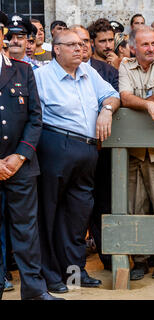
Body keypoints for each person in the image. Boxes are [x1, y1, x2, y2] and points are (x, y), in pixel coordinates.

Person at [34, 29, 120, 294]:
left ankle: (74, 273)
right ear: (56, 49)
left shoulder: (88, 72)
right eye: (71, 44)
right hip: (55, 145)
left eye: (81, 44)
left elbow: (113, 95)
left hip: (87, 149)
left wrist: (106, 110)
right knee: (49, 215)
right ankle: (50, 276)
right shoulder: (40, 76)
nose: (79, 49)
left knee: (78, 215)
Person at [0, 11, 62, 301]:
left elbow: (35, 118)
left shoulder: (23, 71)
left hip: (20, 166)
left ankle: (35, 292)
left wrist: (20, 156)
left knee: (27, 231)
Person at [118, 26, 154, 281]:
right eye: (145, 45)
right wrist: (146, 104)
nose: (152, 48)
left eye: (153, 43)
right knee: (135, 206)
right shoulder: (125, 66)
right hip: (132, 150)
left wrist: (139, 102)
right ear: (133, 47)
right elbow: (124, 98)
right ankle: (139, 259)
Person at [70, 24, 119, 271]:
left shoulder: (106, 72)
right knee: (75, 210)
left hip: (102, 151)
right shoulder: (50, 73)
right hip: (69, 152)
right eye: (76, 42)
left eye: (85, 41)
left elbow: (117, 98)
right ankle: (72, 268)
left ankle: (109, 258)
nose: (82, 46)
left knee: (103, 205)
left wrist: (107, 110)